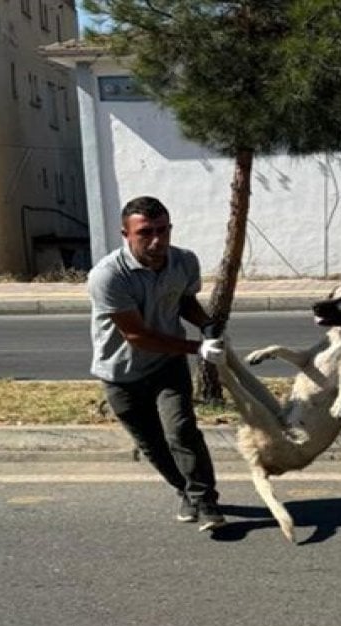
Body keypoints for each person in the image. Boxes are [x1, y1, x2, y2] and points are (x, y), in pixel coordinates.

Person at [87, 195, 228, 531]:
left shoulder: (183, 262)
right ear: (126, 234)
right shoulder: (108, 276)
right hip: (120, 373)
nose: (156, 241)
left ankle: (206, 501)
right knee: (151, 443)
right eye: (145, 233)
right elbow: (136, 336)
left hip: (167, 364)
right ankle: (185, 491)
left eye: (163, 231)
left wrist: (206, 325)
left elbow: (183, 300)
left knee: (181, 431)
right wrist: (198, 347)